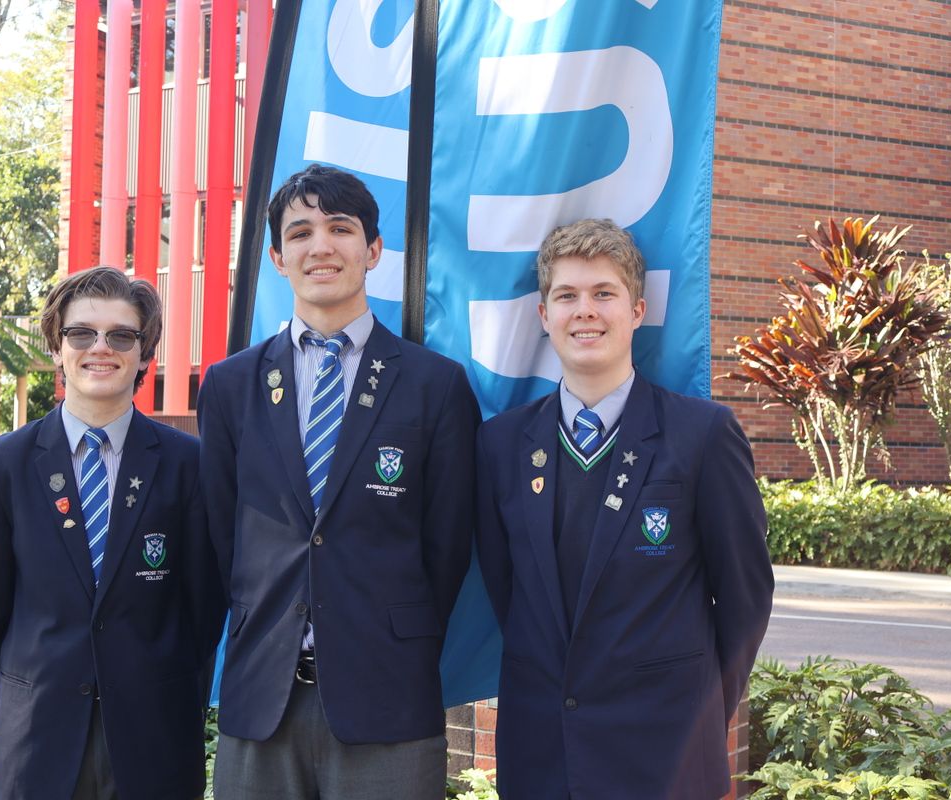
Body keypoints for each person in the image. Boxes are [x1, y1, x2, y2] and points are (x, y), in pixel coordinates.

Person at [197, 164, 480, 800]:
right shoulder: (230, 386)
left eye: (340, 228)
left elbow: (447, 549)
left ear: (373, 250)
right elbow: (221, 539)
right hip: (261, 699)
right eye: (300, 233)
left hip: (387, 695)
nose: (320, 246)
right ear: (278, 257)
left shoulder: (435, 386)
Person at [475, 219, 774, 799]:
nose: (584, 310)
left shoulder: (703, 435)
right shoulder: (501, 444)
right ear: (544, 316)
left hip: (665, 753)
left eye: (603, 293)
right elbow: (509, 592)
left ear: (637, 311)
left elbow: (745, 598)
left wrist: (700, 712)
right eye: (567, 295)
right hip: (542, 754)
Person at [0, 267, 223, 800]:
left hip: (156, 738)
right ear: (57, 348)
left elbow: (204, 609)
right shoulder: (2, 466)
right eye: (81, 333)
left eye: (121, 336)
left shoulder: (189, 464)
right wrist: (30, 688)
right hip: (37, 738)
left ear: (144, 354)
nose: (100, 348)